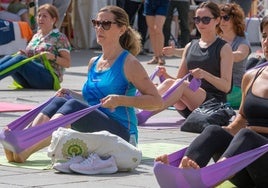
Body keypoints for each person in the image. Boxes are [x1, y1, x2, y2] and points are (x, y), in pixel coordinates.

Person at [3, 5, 163, 163]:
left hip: (124, 135)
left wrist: (121, 100)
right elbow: (90, 101)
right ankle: (25, 139)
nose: (99, 28)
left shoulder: (129, 63)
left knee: (72, 107)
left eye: (106, 24)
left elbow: (156, 102)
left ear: (122, 29)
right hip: (98, 126)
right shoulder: (94, 62)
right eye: (96, 23)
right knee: (60, 100)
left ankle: (26, 148)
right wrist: (70, 93)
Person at [156, 15, 268, 188]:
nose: (266, 41)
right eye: (265, 36)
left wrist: (253, 132)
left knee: (247, 136)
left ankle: (211, 176)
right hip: (247, 167)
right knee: (214, 131)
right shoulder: (251, 76)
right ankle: (182, 169)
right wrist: (216, 138)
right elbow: (240, 121)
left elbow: (247, 132)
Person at [137, 1, 233, 121]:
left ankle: (144, 115)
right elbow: (178, 80)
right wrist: (165, 75)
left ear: (217, 20)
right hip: (189, 103)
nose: (200, 23)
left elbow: (226, 87)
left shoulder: (224, 48)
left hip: (212, 105)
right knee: (169, 83)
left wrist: (205, 75)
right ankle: (138, 107)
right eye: (197, 19)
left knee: (181, 85)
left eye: (206, 19)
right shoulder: (190, 46)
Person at [0, 3, 71, 89]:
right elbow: (31, 59)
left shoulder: (59, 37)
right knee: (11, 57)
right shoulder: (36, 36)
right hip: (32, 78)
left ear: (53, 19)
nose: (40, 19)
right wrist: (24, 54)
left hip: (49, 79)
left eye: (44, 16)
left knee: (20, 60)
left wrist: (52, 57)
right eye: (39, 16)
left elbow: (67, 63)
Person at [217, 3, 251, 109]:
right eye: (219, 18)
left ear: (235, 20)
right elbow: (195, 50)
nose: (222, 21)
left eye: (226, 18)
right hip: (219, 86)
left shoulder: (242, 41)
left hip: (236, 89)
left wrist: (217, 54)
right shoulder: (217, 40)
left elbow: (240, 55)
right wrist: (174, 51)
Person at [144, 0, 169, 65]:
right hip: (149, 2)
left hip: (162, 2)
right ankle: (156, 56)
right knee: (151, 30)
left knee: (158, 28)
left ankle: (160, 56)